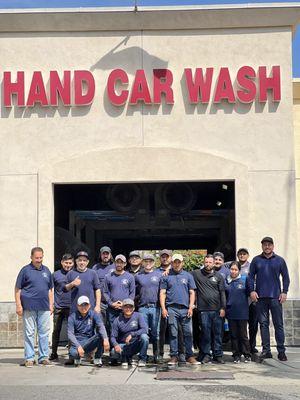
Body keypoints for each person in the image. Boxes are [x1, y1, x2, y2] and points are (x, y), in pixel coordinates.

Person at [249, 237, 290, 361]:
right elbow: (250, 277)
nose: (267, 247)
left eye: (269, 245)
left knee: (279, 325)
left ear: (273, 246)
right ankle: (266, 351)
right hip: (260, 298)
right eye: (265, 245)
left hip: (276, 298)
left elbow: (286, 277)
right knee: (263, 325)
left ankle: (281, 351)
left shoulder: (280, 261)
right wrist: (252, 291)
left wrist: (284, 292)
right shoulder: (256, 260)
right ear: (262, 246)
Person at [15, 247, 54, 367]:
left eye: (40, 257)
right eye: (36, 257)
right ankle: (30, 358)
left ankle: (43, 357)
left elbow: (50, 290)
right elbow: (17, 289)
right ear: (31, 257)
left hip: (44, 307)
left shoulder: (46, 270)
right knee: (29, 333)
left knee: (44, 333)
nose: (38, 260)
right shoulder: (25, 270)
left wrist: (51, 305)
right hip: (29, 307)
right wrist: (18, 305)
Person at [160, 254, 199, 365]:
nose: (177, 264)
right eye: (175, 262)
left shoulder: (188, 276)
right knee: (173, 333)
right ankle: (174, 356)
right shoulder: (166, 276)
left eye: (179, 262)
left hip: (186, 309)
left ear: (182, 263)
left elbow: (192, 292)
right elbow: (162, 293)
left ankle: (189, 356)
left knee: (188, 333)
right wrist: (163, 308)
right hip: (171, 309)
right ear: (171, 263)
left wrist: (191, 307)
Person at [192, 254, 226, 364]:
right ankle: (206, 354)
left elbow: (222, 293)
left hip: (217, 310)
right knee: (205, 333)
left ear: (213, 263)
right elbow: (183, 273)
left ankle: (218, 355)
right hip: (203, 311)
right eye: (206, 262)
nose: (208, 264)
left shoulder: (219, 276)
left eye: (210, 262)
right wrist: (168, 271)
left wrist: (223, 308)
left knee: (217, 333)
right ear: (204, 262)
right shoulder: (197, 274)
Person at [158, 249, 185, 362]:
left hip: (172, 306)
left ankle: (180, 353)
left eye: (167, 256)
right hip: (158, 306)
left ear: (171, 258)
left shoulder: (175, 271)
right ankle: (160, 353)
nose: (165, 258)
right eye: (163, 256)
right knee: (161, 331)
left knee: (178, 331)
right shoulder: (156, 271)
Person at [67, 296, 110, 367]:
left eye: (86, 305)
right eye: (81, 305)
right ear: (77, 306)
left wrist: (105, 339)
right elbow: (70, 334)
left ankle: (97, 358)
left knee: (101, 335)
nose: (84, 307)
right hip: (78, 342)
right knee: (73, 353)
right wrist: (78, 346)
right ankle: (77, 358)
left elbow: (101, 326)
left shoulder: (94, 314)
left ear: (89, 305)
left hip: (90, 341)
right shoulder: (72, 317)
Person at [135, 253, 162, 363]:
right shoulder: (138, 276)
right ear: (142, 263)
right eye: (146, 261)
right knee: (143, 334)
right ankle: (143, 357)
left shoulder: (160, 275)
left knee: (156, 334)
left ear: (154, 263)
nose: (148, 263)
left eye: (150, 261)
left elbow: (164, 292)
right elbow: (134, 292)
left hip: (156, 308)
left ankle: (156, 355)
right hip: (142, 308)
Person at [225, 261, 251, 363]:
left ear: (239, 270)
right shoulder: (226, 281)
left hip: (242, 312)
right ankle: (236, 355)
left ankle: (247, 354)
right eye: (232, 269)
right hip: (231, 312)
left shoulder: (244, 280)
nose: (233, 271)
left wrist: (245, 306)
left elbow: (250, 295)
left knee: (243, 335)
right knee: (234, 335)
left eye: (236, 269)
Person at [49, 253, 74, 361]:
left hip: (71, 307)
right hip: (58, 307)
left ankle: (71, 354)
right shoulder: (55, 274)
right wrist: (52, 304)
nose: (68, 265)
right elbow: (50, 290)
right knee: (56, 331)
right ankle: (54, 352)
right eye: (66, 263)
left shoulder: (75, 274)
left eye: (70, 263)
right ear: (62, 262)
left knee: (71, 331)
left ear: (73, 263)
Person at [111, 298, 149, 367]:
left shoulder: (138, 316)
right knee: (113, 352)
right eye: (126, 307)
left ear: (134, 308)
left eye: (130, 307)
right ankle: (126, 357)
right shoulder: (117, 320)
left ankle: (142, 359)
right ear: (122, 308)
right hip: (124, 345)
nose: (128, 309)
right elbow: (113, 337)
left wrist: (132, 334)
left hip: (135, 344)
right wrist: (116, 345)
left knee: (145, 337)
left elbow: (145, 329)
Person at [103, 254, 135, 333]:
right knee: (112, 330)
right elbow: (105, 292)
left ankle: (124, 345)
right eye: (117, 262)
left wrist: (125, 304)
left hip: (125, 309)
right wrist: (111, 303)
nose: (119, 264)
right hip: (112, 309)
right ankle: (113, 345)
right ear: (114, 263)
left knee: (125, 330)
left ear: (125, 264)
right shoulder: (108, 276)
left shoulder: (130, 277)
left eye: (121, 262)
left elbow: (132, 293)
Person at [237, 248, 259, 354]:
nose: (242, 255)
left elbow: (257, 281)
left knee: (253, 325)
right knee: (241, 326)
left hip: (252, 300)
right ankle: (242, 347)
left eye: (244, 254)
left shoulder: (252, 267)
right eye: (240, 254)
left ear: (248, 255)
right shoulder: (234, 267)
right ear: (237, 256)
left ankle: (252, 346)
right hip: (240, 301)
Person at [92, 246, 115, 323]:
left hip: (113, 302)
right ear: (100, 255)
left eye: (107, 254)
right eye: (103, 254)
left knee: (112, 326)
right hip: (100, 302)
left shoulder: (115, 267)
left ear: (110, 255)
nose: (105, 256)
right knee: (100, 326)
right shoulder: (95, 268)